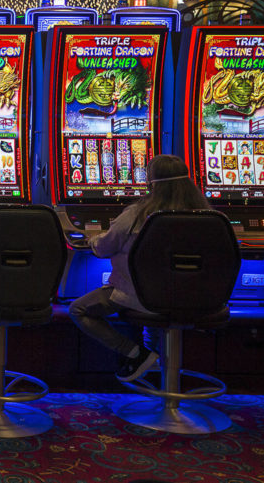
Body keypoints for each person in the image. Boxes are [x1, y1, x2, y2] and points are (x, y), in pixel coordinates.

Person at [68, 155, 210, 382]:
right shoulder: (208, 217)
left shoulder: (137, 214)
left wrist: (92, 240)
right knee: (158, 309)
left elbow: (104, 248)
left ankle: (136, 354)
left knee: (78, 310)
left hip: (141, 296)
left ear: (151, 183)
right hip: (194, 297)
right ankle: (159, 376)